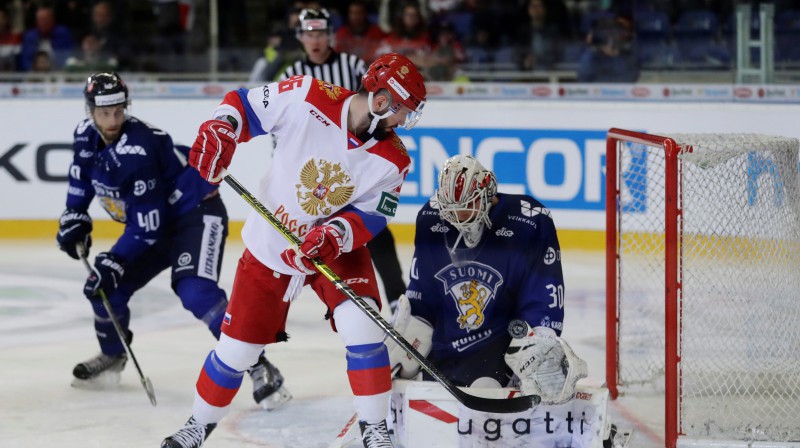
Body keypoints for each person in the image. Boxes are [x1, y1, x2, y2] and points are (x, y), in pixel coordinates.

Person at [161, 52, 427, 448]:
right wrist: (221, 129)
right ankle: (197, 425)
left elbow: (374, 215)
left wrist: (336, 233)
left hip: (334, 250)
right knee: (236, 352)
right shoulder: (308, 94)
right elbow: (242, 104)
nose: (404, 122)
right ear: (382, 100)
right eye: (402, 111)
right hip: (272, 246)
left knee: (363, 326)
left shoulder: (395, 159)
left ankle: (375, 429)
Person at [55, 72, 290, 411]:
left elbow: (148, 226)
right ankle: (113, 355)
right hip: (154, 220)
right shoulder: (83, 137)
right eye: (104, 113)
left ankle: (260, 366)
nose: (112, 121)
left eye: (119, 111)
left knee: (196, 292)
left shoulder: (138, 148)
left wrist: (115, 260)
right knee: (107, 289)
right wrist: (73, 215)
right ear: (90, 111)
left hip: (195, 214)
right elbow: (81, 179)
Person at [387, 155, 581, 397]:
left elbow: (543, 296)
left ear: (487, 193)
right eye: (451, 211)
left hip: (501, 345)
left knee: (485, 391)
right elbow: (423, 297)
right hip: (446, 347)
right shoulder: (430, 219)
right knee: (424, 392)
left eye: (466, 208)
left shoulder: (530, 221)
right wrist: (410, 337)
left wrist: (539, 342)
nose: (457, 218)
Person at [281, 7, 409, 309]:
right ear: (300, 37)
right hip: (309, 173)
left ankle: (396, 298)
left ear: (330, 35)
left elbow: (370, 108)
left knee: (373, 229)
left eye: (321, 33)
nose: (316, 39)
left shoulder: (353, 66)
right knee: (297, 238)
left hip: (353, 170)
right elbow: (282, 131)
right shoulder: (292, 75)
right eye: (309, 33)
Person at [576, 15, 640, 83]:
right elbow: (583, 79)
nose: (605, 37)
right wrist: (591, 47)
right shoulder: (593, 56)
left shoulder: (629, 57)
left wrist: (614, 54)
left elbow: (628, 80)